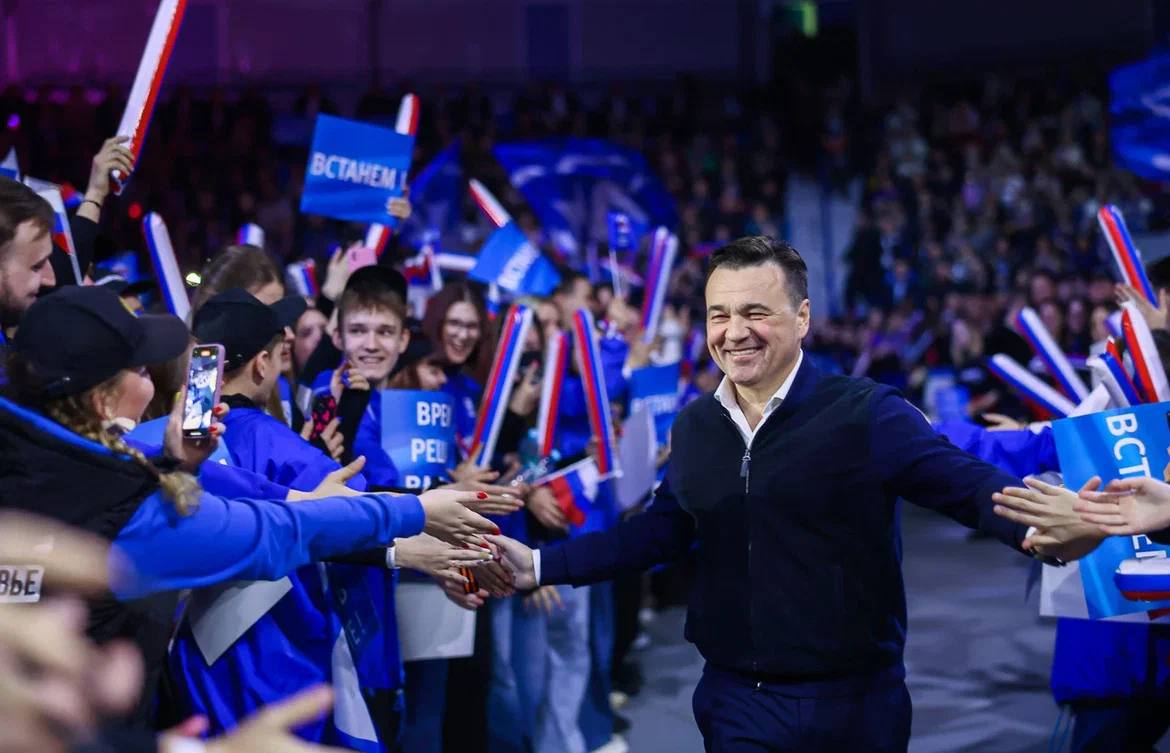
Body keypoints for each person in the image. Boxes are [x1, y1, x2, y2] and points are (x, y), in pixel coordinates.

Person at [490, 236, 1102, 753]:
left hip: (856, 706)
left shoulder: (867, 414)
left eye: (755, 312)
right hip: (736, 703)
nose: (734, 333)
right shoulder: (696, 426)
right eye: (719, 315)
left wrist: (1041, 531)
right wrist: (540, 565)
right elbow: (659, 533)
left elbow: (963, 484)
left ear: (802, 318)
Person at [0, 285, 445, 731]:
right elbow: (276, 533)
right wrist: (413, 511)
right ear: (102, 401)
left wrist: (176, 465)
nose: (154, 382)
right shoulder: (127, 509)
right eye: (141, 370)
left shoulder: (34, 467)